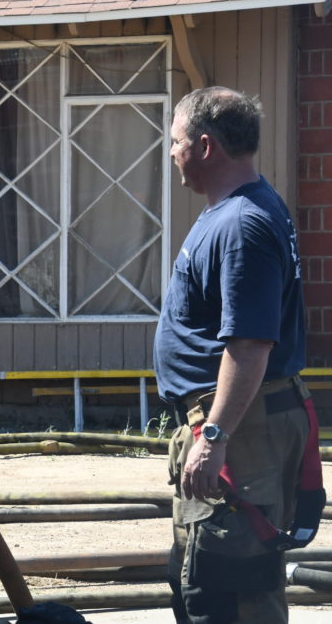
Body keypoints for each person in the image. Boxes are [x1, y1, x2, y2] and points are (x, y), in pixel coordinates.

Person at [154, 87, 320, 623]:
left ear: (205, 146)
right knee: (205, 579)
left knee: (230, 592)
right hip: (239, 424)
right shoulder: (236, 210)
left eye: (176, 141)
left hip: (242, 431)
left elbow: (249, 347)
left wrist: (214, 437)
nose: (171, 151)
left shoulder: (242, 223)